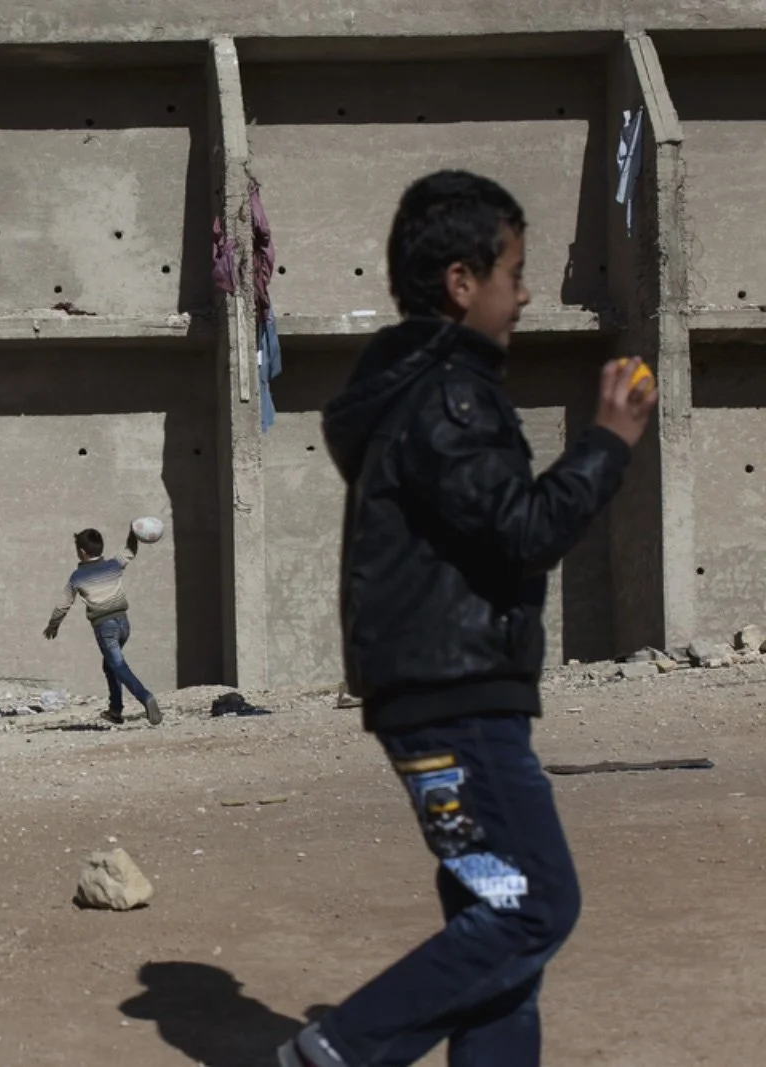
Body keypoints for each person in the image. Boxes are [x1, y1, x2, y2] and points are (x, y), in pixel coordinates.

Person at [279, 171, 656, 1067]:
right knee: (536, 905)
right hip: (458, 707)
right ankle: (332, 1052)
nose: (524, 294)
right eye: (514, 272)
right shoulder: (448, 396)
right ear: (461, 281)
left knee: (496, 920)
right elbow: (525, 530)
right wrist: (607, 440)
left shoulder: (415, 391)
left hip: (433, 705)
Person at [44, 528, 162, 726]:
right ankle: (115, 710)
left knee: (117, 665)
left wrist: (53, 625)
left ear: (82, 552)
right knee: (110, 665)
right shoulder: (113, 565)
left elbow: (63, 605)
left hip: (105, 627)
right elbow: (130, 550)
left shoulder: (77, 576)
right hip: (124, 623)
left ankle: (145, 697)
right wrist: (134, 532)